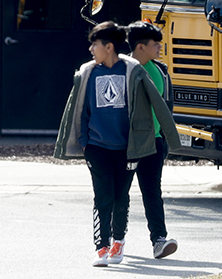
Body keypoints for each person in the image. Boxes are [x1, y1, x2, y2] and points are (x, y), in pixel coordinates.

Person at [54, 21, 181, 267]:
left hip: (127, 148)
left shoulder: (134, 72)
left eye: (95, 44)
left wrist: (166, 140)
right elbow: (81, 109)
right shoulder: (88, 73)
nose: (91, 49)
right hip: (96, 147)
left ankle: (119, 242)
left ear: (109, 47)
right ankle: (101, 247)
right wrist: (84, 143)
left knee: (120, 196)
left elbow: (157, 107)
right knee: (102, 196)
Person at [126, 21, 179, 259]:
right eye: (155, 44)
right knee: (119, 193)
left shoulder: (158, 71)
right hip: (126, 143)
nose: (160, 47)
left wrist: (164, 141)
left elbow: (163, 109)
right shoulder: (122, 69)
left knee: (151, 192)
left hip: (154, 143)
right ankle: (115, 238)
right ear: (140, 47)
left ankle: (159, 240)